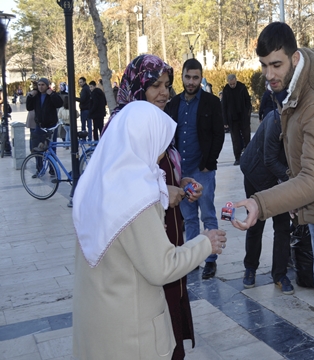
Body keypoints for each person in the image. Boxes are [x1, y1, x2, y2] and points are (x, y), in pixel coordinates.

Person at [232, 22, 314, 360]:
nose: (268, 73)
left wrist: (261, 203)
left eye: (276, 64)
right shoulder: (295, 86)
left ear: (293, 57)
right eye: (263, 65)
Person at [71, 99, 227, 360]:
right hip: (131, 337)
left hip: (97, 327)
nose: (162, 153)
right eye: (160, 144)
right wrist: (205, 243)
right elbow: (162, 267)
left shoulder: (96, 181)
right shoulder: (136, 197)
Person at [106, 54, 208, 359]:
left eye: (167, 85)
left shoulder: (155, 125)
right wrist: (165, 191)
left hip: (167, 239)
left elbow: (162, 171)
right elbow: (121, 190)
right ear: (138, 88)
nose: (164, 92)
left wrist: (183, 182)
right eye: (155, 86)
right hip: (143, 253)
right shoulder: (122, 130)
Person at [165, 58, 225, 280]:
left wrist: (210, 163)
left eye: (195, 78)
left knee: (208, 215)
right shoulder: (174, 104)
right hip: (182, 173)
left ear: (201, 78)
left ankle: (210, 260)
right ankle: (192, 258)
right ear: (181, 76)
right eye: (187, 77)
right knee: (189, 218)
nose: (191, 82)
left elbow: (219, 134)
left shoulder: (211, 102)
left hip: (203, 170)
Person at [240, 109, 293, 294]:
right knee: (255, 223)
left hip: (281, 178)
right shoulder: (276, 119)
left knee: (283, 227)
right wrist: (293, 180)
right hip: (257, 175)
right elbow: (269, 159)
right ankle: (250, 268)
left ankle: (280, 274)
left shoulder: (306, 119)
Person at [26, 78, 64, 155]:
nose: (41, 87)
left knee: (51, 148)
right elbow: (29, 107)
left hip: (51, 126)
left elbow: (59, 104)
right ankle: (39, 166)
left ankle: (52, 166)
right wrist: (30, 96)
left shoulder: (52, 94)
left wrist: (52, 94)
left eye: (43, 85)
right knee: (38, 148)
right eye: (39, 85)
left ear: (47, 86)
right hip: (39, 125)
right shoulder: (36, 95)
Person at [221, 74, 252, 165]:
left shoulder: (242, 87)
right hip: (232, 119)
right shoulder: (226, 90)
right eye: (231, 84)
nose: (232, 86)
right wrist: (225, 121)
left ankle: (249, 157)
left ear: (236, 80)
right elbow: (224, 106)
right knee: (235, 139)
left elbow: (248, 101)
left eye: (233, 84)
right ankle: (237, 158)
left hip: (243, 118)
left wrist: (247, 113)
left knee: (247, 137)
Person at [76, 77, 92, 141]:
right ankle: (90, 138)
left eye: (81, 82)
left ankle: (84, 138)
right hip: (89, 108)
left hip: (84, 108)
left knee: (83, 125)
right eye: (79, 82)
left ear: (84, 82)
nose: (80, 84)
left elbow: (82, 99)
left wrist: (74, 98)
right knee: (89, 125)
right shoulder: (88, 88)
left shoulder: (84, 90)